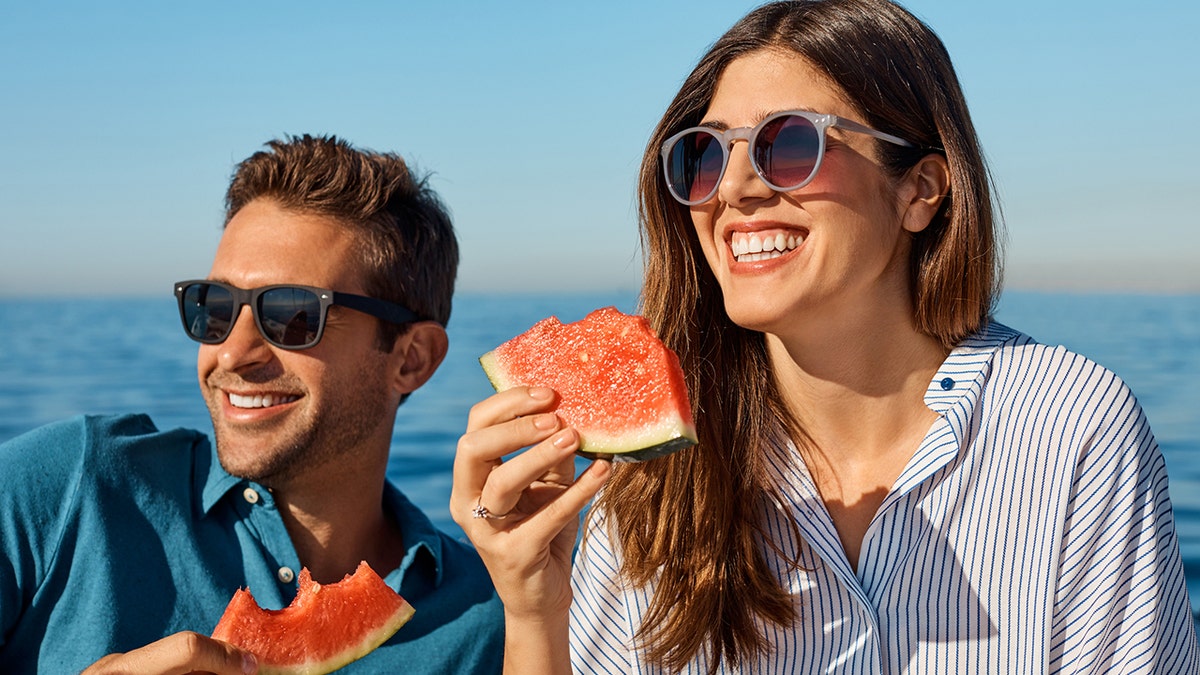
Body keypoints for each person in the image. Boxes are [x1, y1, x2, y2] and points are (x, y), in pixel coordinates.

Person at [450, 1, 1200, 672]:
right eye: (705, 154)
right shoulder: (648, 475)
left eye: (788, 144)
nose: (736, 189)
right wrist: (534, 610)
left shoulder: (1070, 426)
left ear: (920, 189)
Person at [0, 135, 504, 673]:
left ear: (412, 359)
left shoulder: (487, 617)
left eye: (292, 315)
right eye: (213, 307)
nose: (232, 354)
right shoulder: (67, 487)